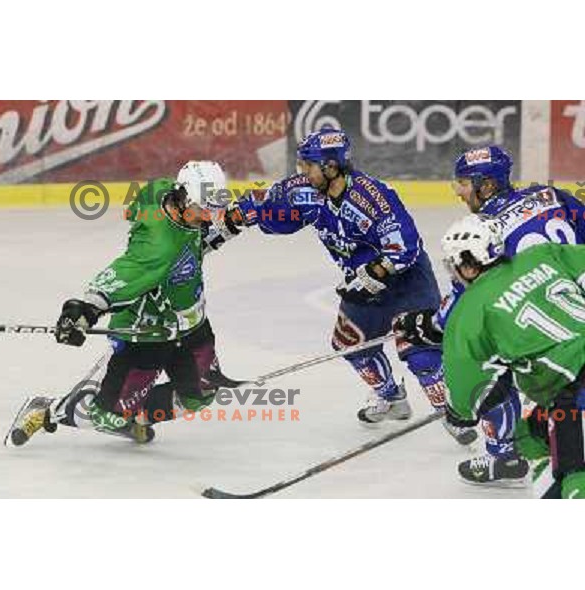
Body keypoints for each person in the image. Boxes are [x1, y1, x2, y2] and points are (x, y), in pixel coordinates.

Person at [236, 127, 475, 445]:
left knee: (421, 354)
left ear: (331, 167)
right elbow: (279, 211)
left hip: (407, 282)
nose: (302, 171)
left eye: (308, 165)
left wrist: (374, 273)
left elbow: (405, 247)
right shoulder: (307, 190)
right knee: (350, 344)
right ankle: (391, 397)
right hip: (362, 285)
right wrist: (250, 212)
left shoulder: (373, 197)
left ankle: (452, 412)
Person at [8, 161, 244, 446]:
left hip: (191, 329)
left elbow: (174, 228)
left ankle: (137, 416)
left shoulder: (166, 191)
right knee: (106, 416)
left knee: (200, 395)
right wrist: (84, 310)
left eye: (212, 210)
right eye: (203, 210)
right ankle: (47, 410)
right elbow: (125, 273)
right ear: (182, 197)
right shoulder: (156, 248)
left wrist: (235, 220)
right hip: (146, 334)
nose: (208, 217)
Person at [393, 145, 585, 485]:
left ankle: (505, 456)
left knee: (491, 358)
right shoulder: (550, 195)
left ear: (488, 185)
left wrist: (425, 324)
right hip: (572, 300)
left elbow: (469, 309)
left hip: (543, 336)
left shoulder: (483, 229)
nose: (459, 192)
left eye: (465, 183)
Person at [440, 214, 585, 499]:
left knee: (576, 473)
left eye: (454, 265)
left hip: (573, 389)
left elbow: (468, 394)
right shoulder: (543, 255)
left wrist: (458, 413)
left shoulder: (469, 311)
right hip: (567, 391)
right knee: (529, 436)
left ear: (468, 266)